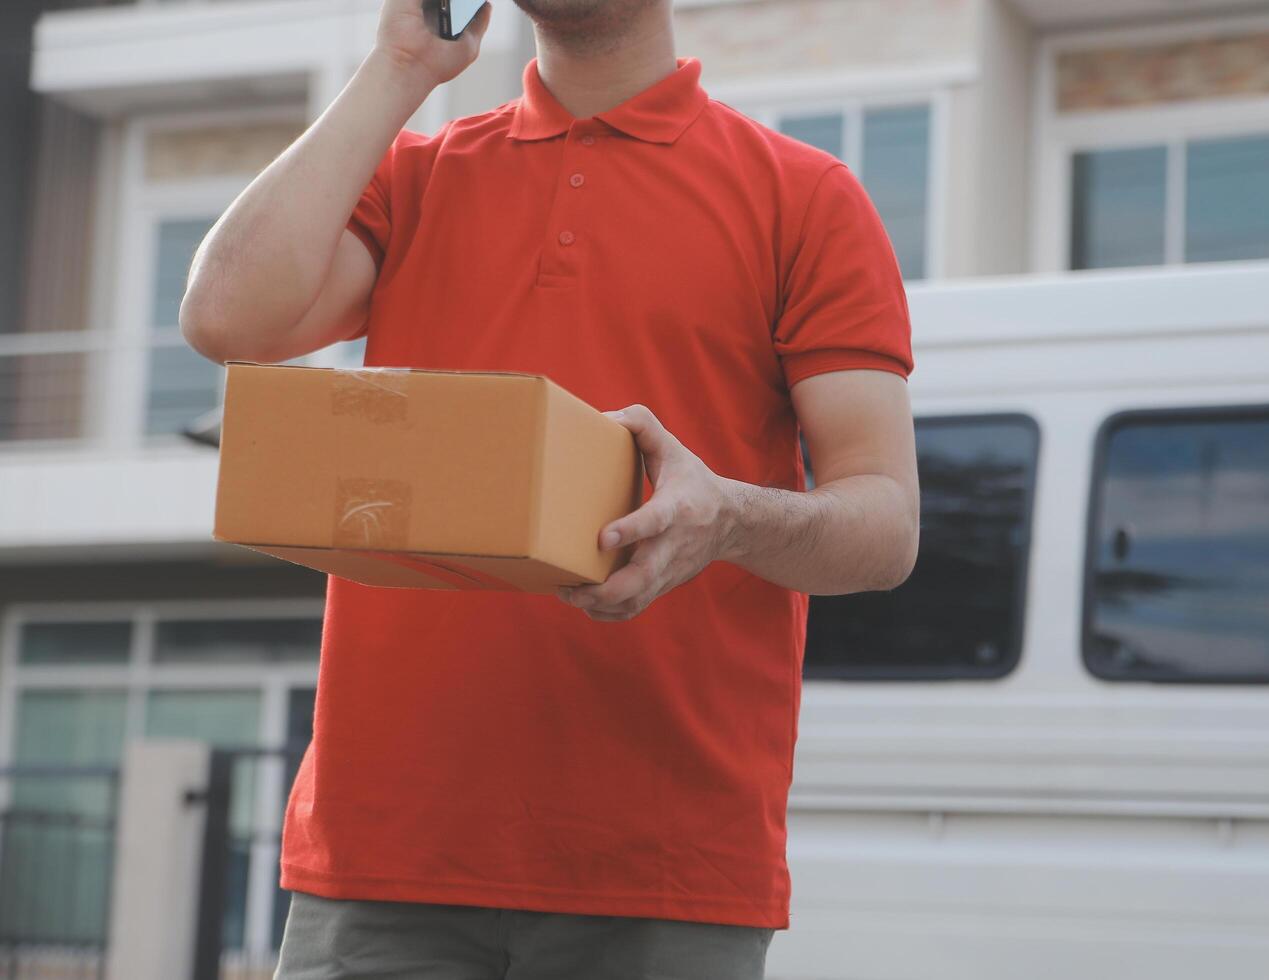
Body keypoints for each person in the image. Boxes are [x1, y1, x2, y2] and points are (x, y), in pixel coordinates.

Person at [180, 0, 919, 976]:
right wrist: (401, 65)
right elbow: (225, 317)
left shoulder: (804, 197)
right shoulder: (413, 176)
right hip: (385, 859)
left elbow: (886, 524)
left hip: (661, 870)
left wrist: (727, 514)